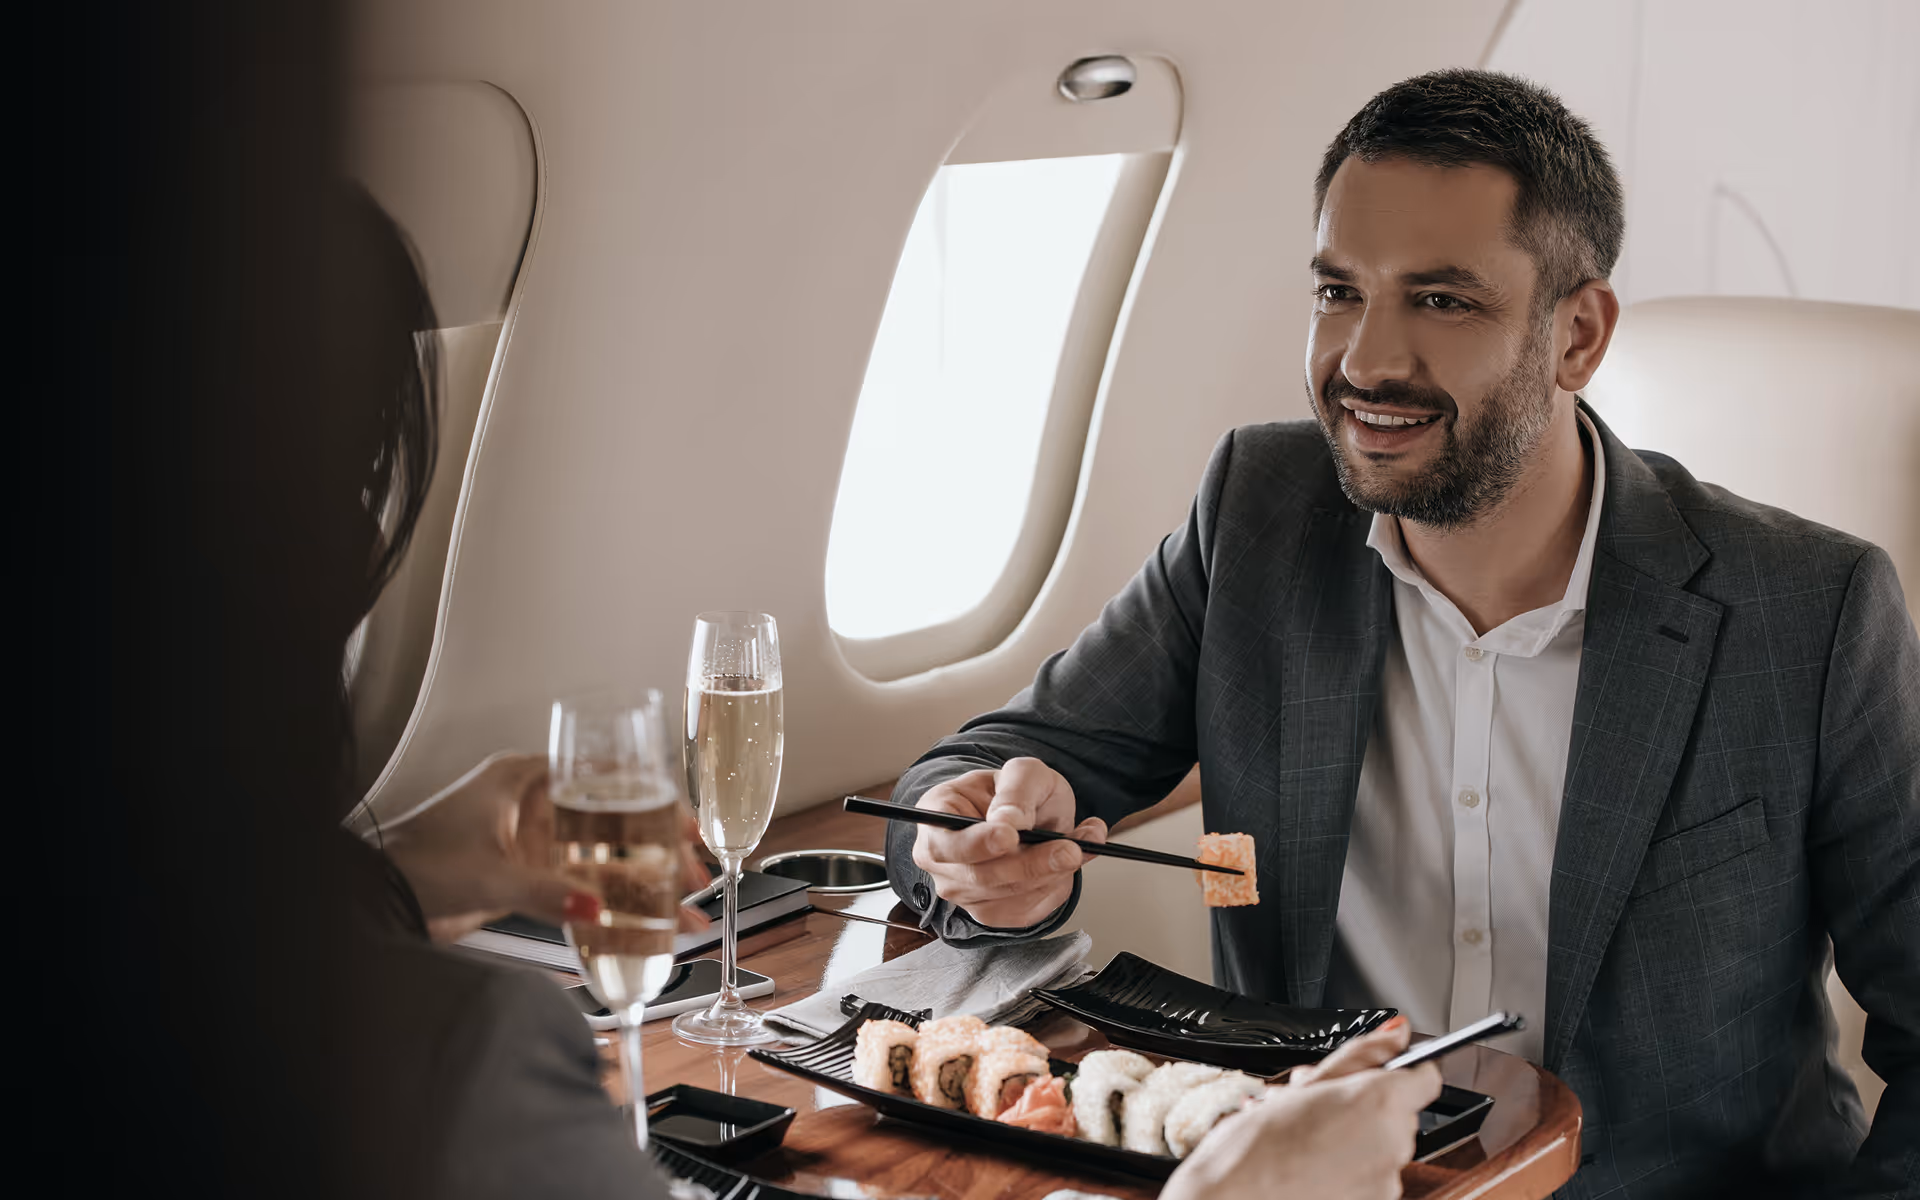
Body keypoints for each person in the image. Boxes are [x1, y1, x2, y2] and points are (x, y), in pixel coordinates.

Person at [886, 69, 1919, 1198]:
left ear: (1577, 335)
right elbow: (980, 773)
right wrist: (965, 849)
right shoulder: (1257, 514)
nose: (1366, 362)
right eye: (1339, 292)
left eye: (1441, 301)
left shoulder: (1810, 612)